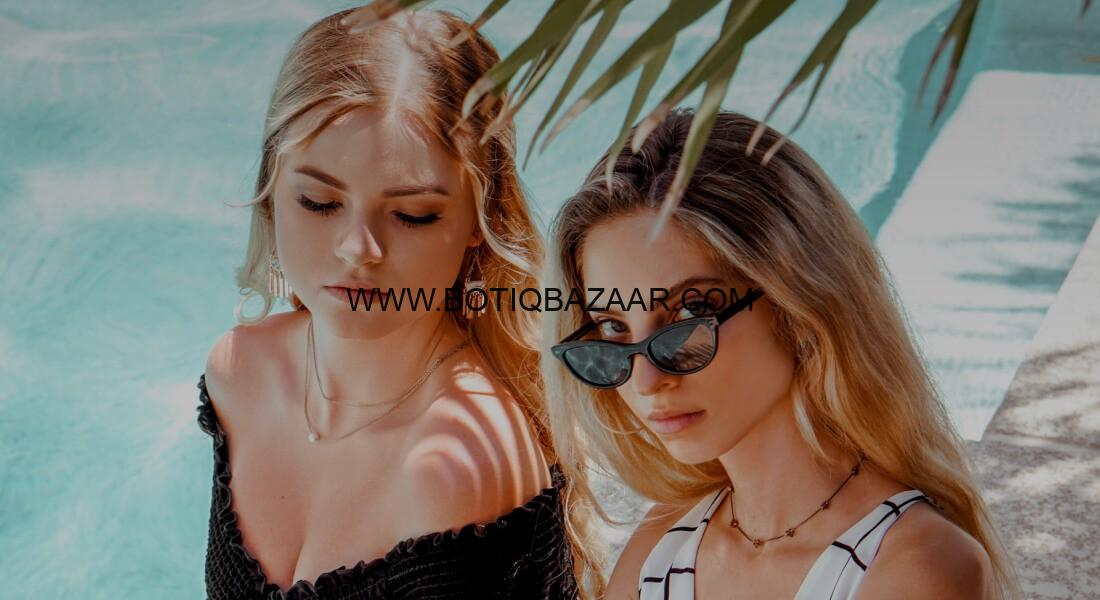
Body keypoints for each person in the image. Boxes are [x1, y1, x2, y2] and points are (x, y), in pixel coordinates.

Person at [196, 8, 597, 599]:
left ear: (479, 221)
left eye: (412, 214)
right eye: (318, 202)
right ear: (272, 191)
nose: (358, 248)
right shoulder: (239, 374)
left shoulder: (456, 461)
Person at [541, 110, 1018, 599]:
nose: (645, 381)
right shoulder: (664, 541)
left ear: (796, 305)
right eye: (614, 326)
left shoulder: (913, 565)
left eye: (691, 311)